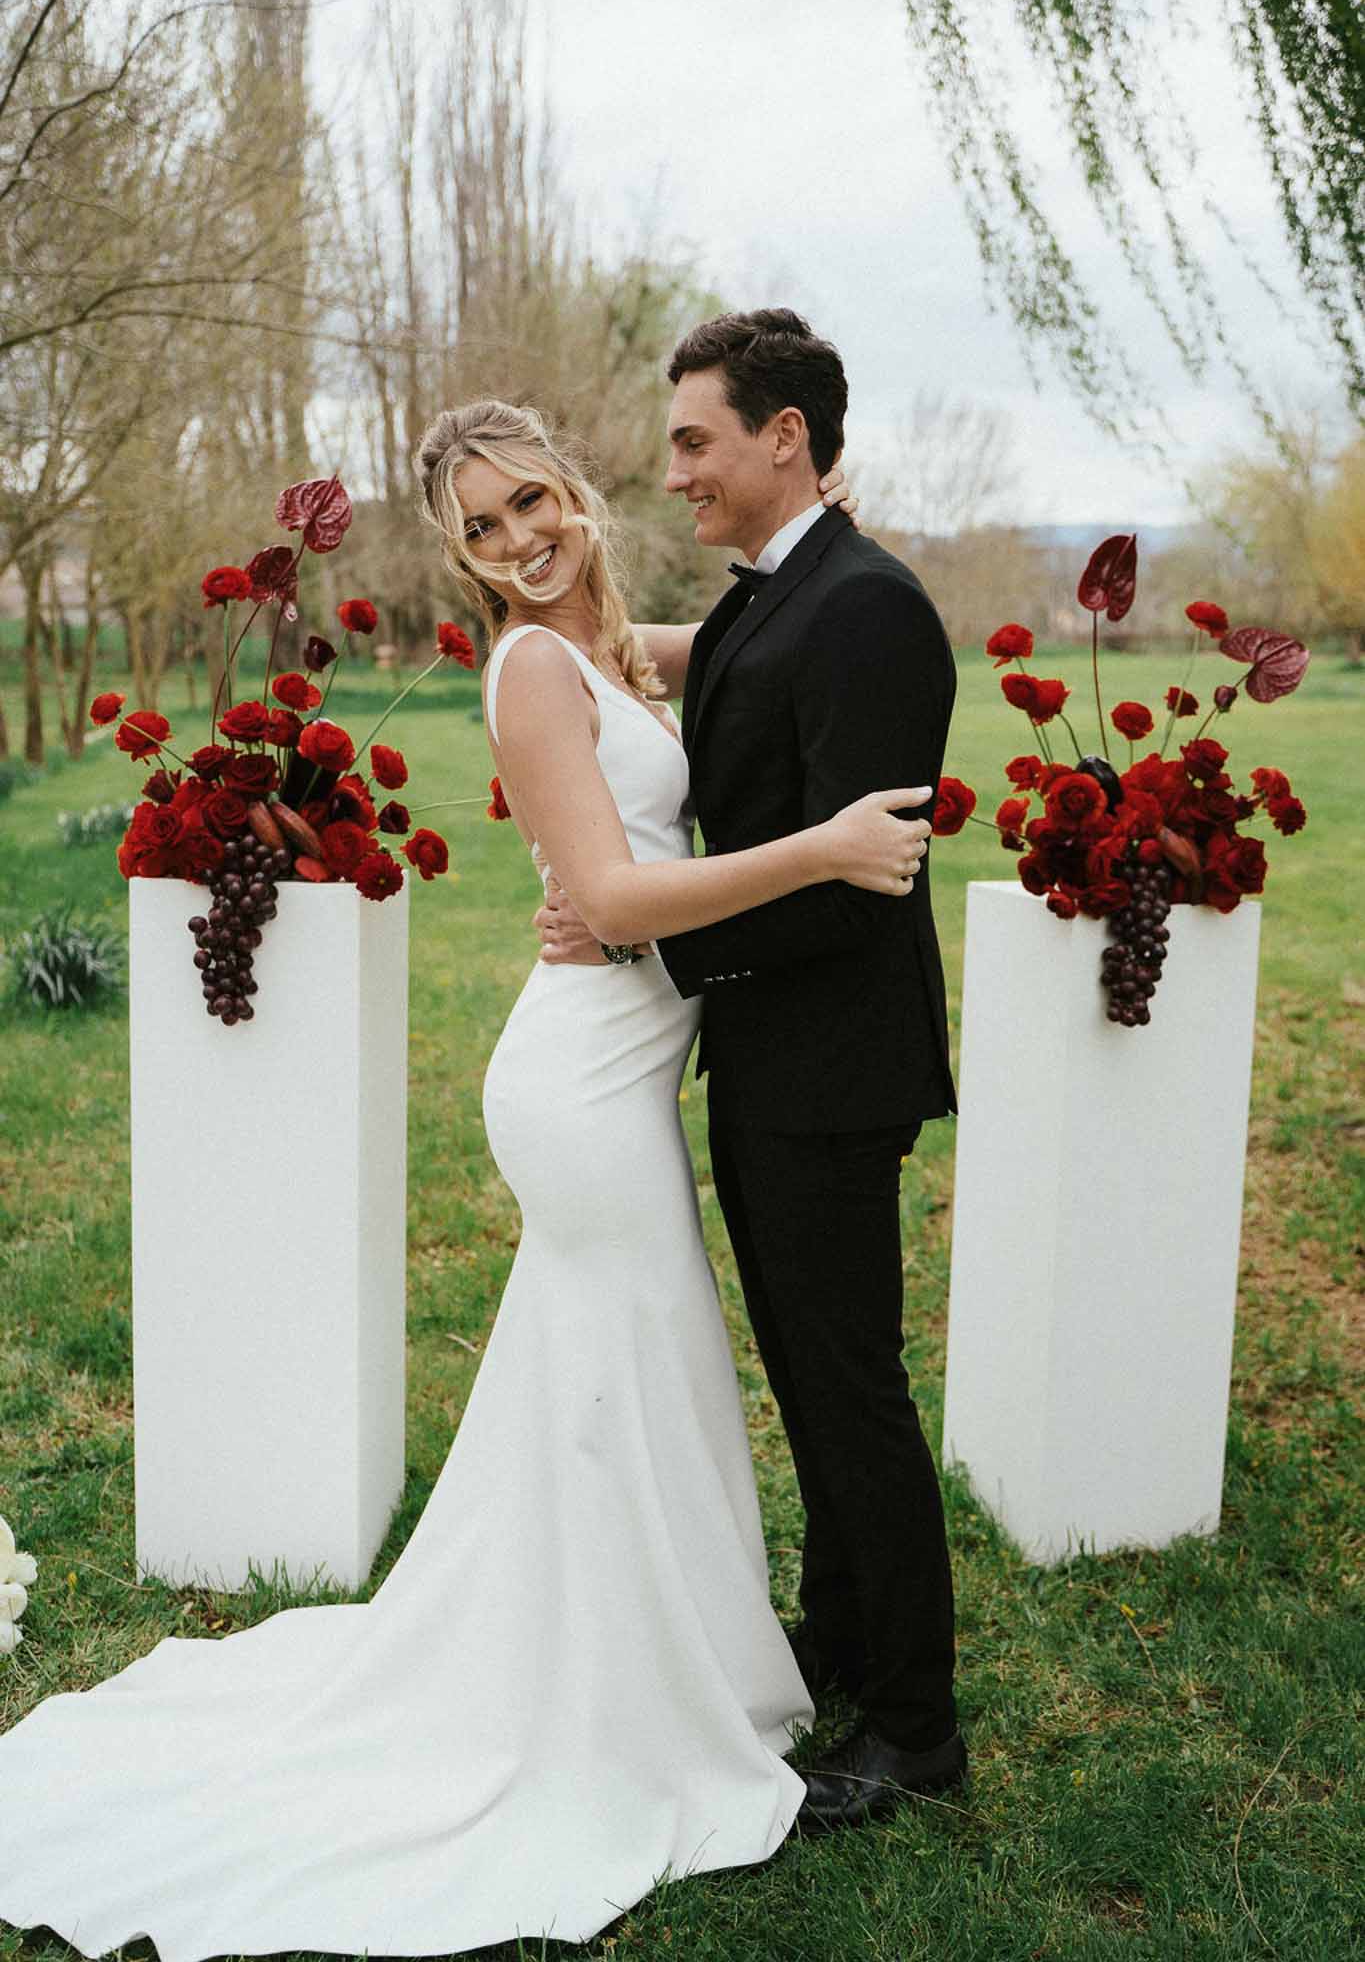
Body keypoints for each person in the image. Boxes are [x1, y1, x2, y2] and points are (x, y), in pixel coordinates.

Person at [0, 399, 931, 1960]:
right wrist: (820, 849)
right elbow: (613, 894)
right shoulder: (528, 670)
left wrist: (824, 523)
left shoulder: (615, 646)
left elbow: (766, 635)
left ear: (572, 488)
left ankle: (655, 1660)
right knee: (628, 1368)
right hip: (581, 1089)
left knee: (624, 1376)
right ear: (463, 556)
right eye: (481, 531)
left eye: (528, 503)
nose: (517, 542)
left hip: (624, 1067)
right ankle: (611, 1696)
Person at [537, 308, 965, 1828]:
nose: (676, 475)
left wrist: (650, 941)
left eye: (695, 442)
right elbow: (675, 669)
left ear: (786, 436)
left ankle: (914, 1729)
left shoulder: (866, 608)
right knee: (812, 1377)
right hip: (773, 1061)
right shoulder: (774, 597)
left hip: (834, 1068)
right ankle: (840, 1642)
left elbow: (863, 883)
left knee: (850, 1393)